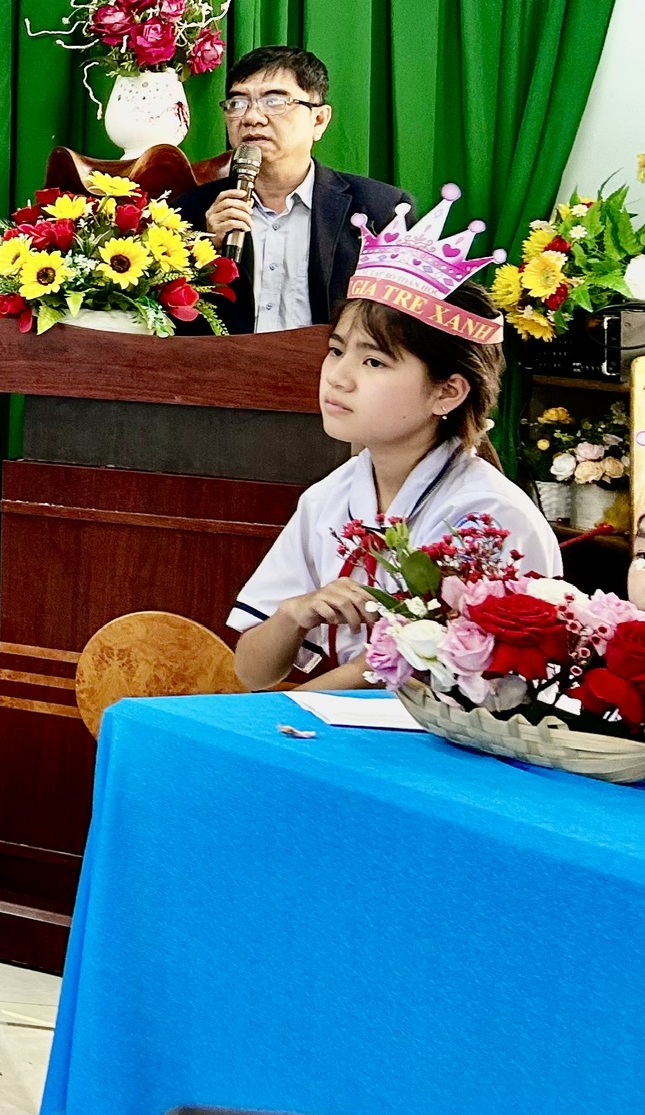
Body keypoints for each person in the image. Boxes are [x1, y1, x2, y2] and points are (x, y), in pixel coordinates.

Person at [232, 187, 560, 690]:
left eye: (373, 361)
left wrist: (274, 716)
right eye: (336, 351)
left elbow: (414, 679)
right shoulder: (328, 500)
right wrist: (295, 613)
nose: (338, 377)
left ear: (447, 392)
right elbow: (252, 670)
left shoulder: (490, 517)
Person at [172, 46, 409, 333]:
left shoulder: (381, 210)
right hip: (227, 362)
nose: (251, 117)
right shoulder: (188, 212)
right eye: (237, 103)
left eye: (274, 101)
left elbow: (402, 328)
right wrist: (206, 251)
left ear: (319, 120)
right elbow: (172, 327)